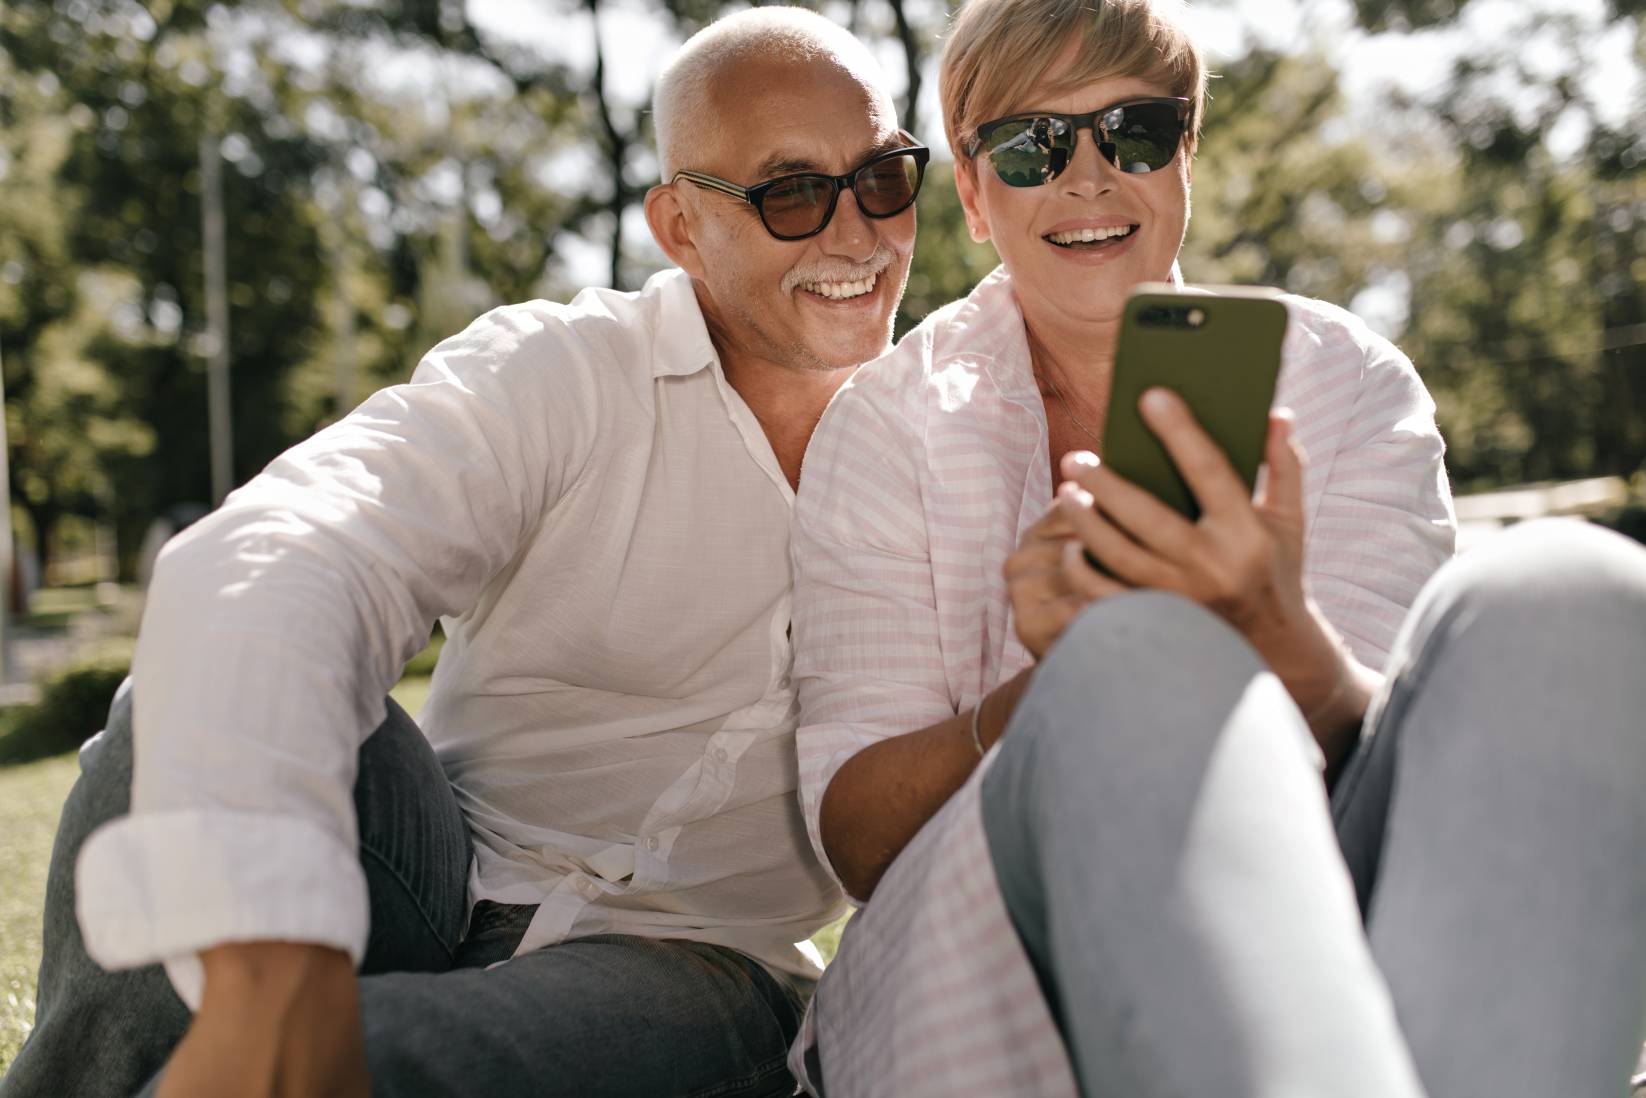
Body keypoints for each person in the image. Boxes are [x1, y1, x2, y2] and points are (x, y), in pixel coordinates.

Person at [0, 9, 930, 1097]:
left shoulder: (946, 446)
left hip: (706, 963)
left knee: (378, 1066)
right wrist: (264, 948)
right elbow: (289, 547)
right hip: (430, 866)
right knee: (166, 714)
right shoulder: (564, 370)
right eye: (790, 192)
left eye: (880, 177)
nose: (855, 234)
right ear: (677, 226)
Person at [787, 0, 1646, 1094]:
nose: (1087, 177)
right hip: (984, 951)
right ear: (970, 190)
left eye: (1132, 131)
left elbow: (1411, 779)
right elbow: (859, 842)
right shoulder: (886, 424)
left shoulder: (1345, 384)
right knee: (1139, 662)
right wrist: (1055, 684)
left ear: (1185, 152)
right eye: (1029, 145)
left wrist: (1269, 627)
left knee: (1573, 595)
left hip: (1344, 906)